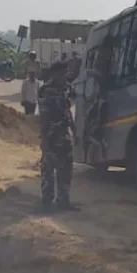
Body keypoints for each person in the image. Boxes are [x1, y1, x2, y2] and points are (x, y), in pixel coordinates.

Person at [38, 61, 76, 210]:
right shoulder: (46, 90)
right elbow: (43, 116)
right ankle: (47, 202)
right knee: (48, 170)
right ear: (55, 74)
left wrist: (74, 131)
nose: (65, 75)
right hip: (51, 136)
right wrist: (44, 139)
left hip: (64, 135)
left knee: (65, 169)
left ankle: (63, 201)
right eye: (63, 73)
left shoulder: (66, 89)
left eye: (66, 72)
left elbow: (67, 112)